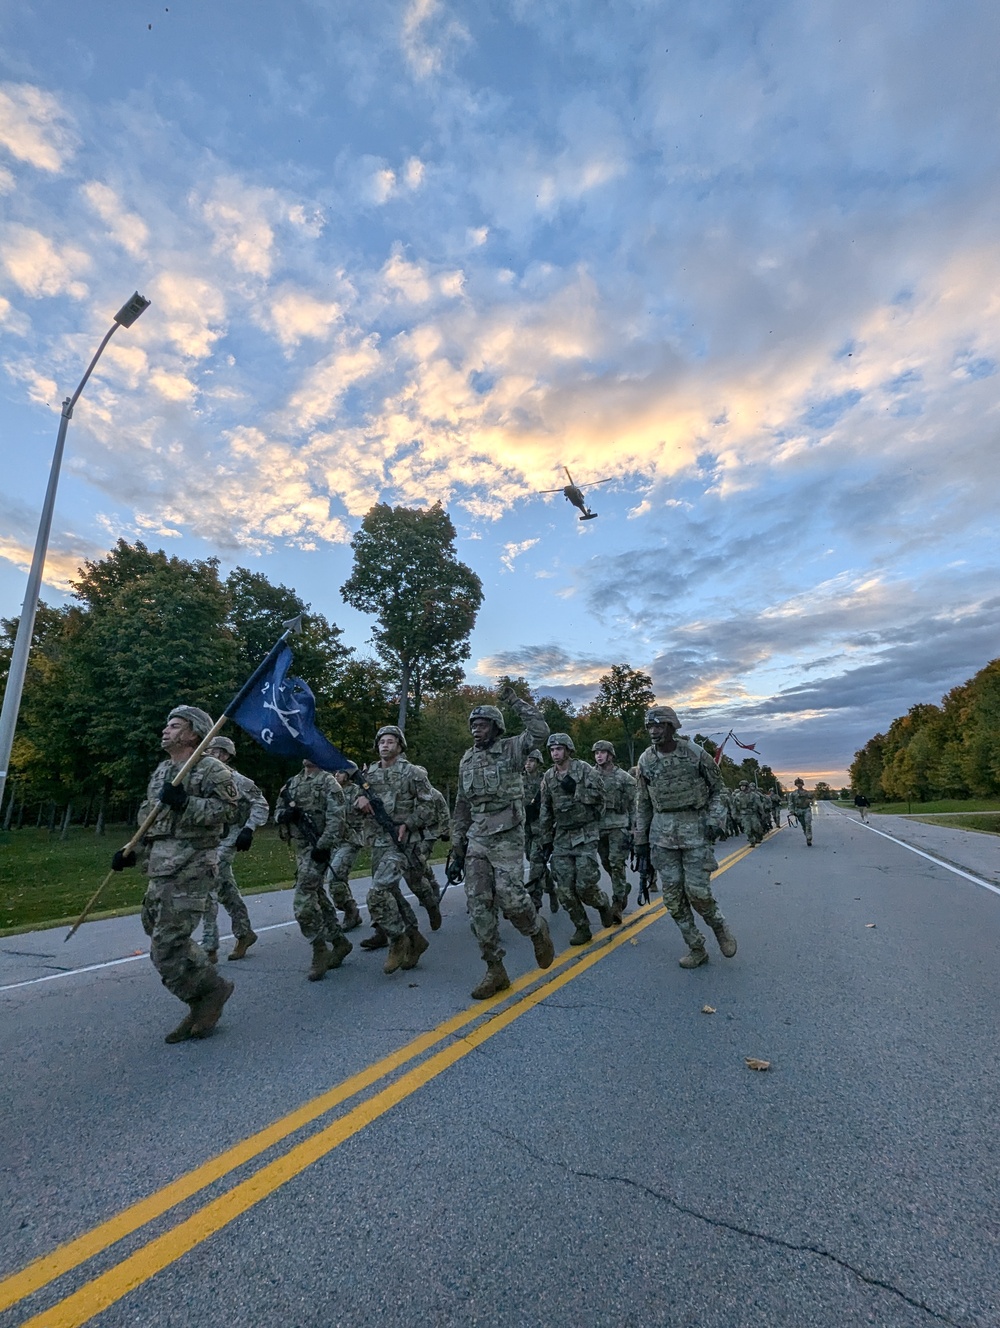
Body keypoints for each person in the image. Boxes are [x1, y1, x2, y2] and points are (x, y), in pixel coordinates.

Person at [111, 705, 239, 1043]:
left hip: (191, 865)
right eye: (167, 724)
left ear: (193, 733)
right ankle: (205, 994)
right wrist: (131, 850)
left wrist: (187, 803)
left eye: (174, 725)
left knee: (165, 946)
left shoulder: (211, 770)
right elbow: (150, 815)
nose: (166, 730)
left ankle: (209, 992)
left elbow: (230, 810)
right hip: (160, 865)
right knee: (159, 934)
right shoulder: (162, 770)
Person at [451, 690, 555, 998]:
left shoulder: (511, 749)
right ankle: (495, 969)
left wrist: (514, 701)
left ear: (496, 727)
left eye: (483, 724)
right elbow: (461, 804)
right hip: (477, 838)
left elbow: (540, 730)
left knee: (511, 898)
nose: (476, 729)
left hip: (507, 833)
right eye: (474, 724)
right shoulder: (467, 759)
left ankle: (537, 930)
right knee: (478, 906)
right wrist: (457, 845)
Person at [634, 705, 737, 969]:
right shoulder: (645, 760)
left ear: (671, 726)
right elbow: (643, 802)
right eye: (650, 727)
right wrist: (640, 841)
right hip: (662, 835)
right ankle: (696, 946)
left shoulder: (694, 753)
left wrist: (716, 819)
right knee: (672, 898)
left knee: (698, 893)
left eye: (659, 726)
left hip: (695, 831)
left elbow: (719, 790)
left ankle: (719, 926)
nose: (654, 731)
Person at [355, 726, 434, 975]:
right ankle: (415, 938)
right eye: (382, 742)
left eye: (391, 741)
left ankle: (397, 939)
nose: (385, 745)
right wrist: (359, 801)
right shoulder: (368, 774)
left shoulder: (413, 773)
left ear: (400, 746)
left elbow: (429, 806)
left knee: (377, 894)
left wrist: (408, 824)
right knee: (394, 897)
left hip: (402, 844)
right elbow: (355, 803)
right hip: (377, 843)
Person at [275, 759, 353, 980]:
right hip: (300, 850)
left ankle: (319, 948)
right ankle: (339, 942)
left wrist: (324, 846)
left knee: (303, 901)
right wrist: (284, 816)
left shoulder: (329, 783)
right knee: (317, 896)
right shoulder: (292, 784)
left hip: (318, 849)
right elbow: (278, 811)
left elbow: (337, 819)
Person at [539, 733, 616, 945]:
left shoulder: (584, 770)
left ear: (568, 750)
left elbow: (602, 800)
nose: (555, 753)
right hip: (562, 836)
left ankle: (602, 904)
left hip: (586, 833)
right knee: (564, 889)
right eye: (552, 750)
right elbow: (546, 809)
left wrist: (578, 791)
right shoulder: (548, 777)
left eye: (559, 749)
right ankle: (582, 927)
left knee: (584, 886)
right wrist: (545, 839)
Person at [199, 735, 267, 962]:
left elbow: (260, 803)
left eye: (216, 751)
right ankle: (244, 932)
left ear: (226, 755)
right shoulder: (202, 778)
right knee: (226, 890)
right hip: (209, 838)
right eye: (208, 750)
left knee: (209, 884)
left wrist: (249, 828)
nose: (211, 754)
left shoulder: (236, 780)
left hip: (230, 837)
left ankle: (210, 946)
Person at [591, 740, 637, 919]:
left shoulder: (624, 778)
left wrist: (634, 827)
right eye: (596, 753)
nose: (599, 756)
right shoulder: (591, 775)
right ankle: (622, 886)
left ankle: (617, 903)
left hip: (619, 824)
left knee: (616, 863)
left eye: (602, 753)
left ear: (610, 755)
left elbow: (633, 804)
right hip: (599, 826)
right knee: (606, 863)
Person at [328, 768, 366, 932]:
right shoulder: (331, 790)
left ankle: (350, 911)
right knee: (337, 880)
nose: (337, 774)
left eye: (341, 772)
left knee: (335, 877)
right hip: (332, 841)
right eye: (335, 772)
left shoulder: (357, 791)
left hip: (350, 839)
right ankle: (350, 910)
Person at [522, 748, 557, 913]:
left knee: (536, 862)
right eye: (526, 761)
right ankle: (551, 890)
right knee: (535, 862)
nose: (528, 764)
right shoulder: (519, 781)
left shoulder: (545, 781)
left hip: (541, 829)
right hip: (524, 829)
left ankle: (534, 901)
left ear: (538, 763)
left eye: (531, 761)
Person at [734, 780, 765, 845]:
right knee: (747, 829)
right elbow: (734, 807)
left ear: (747, 786)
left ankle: (758, 837)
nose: (742, 787)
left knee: (755, 827)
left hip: (753, 813)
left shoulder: (753, 795)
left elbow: (759, 805)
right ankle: (752, 841)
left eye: (743, 786)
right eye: (741, 786)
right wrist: (735, 815)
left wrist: (762, 813)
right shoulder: (738, 796)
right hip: (744, 814)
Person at [788, 778, 813, 845]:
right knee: (803, 825)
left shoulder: (807, 793)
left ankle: (809, 838)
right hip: (798, 811)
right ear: (796, 784)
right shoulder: (793, 794)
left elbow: (811, 800)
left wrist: (810, 801)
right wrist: (792, 810)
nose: (799, 785)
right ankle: (806, 834)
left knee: (808, 824)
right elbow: (791, 803)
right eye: (798, 783)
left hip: (806, 809)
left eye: (800, 783)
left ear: (802, 784)